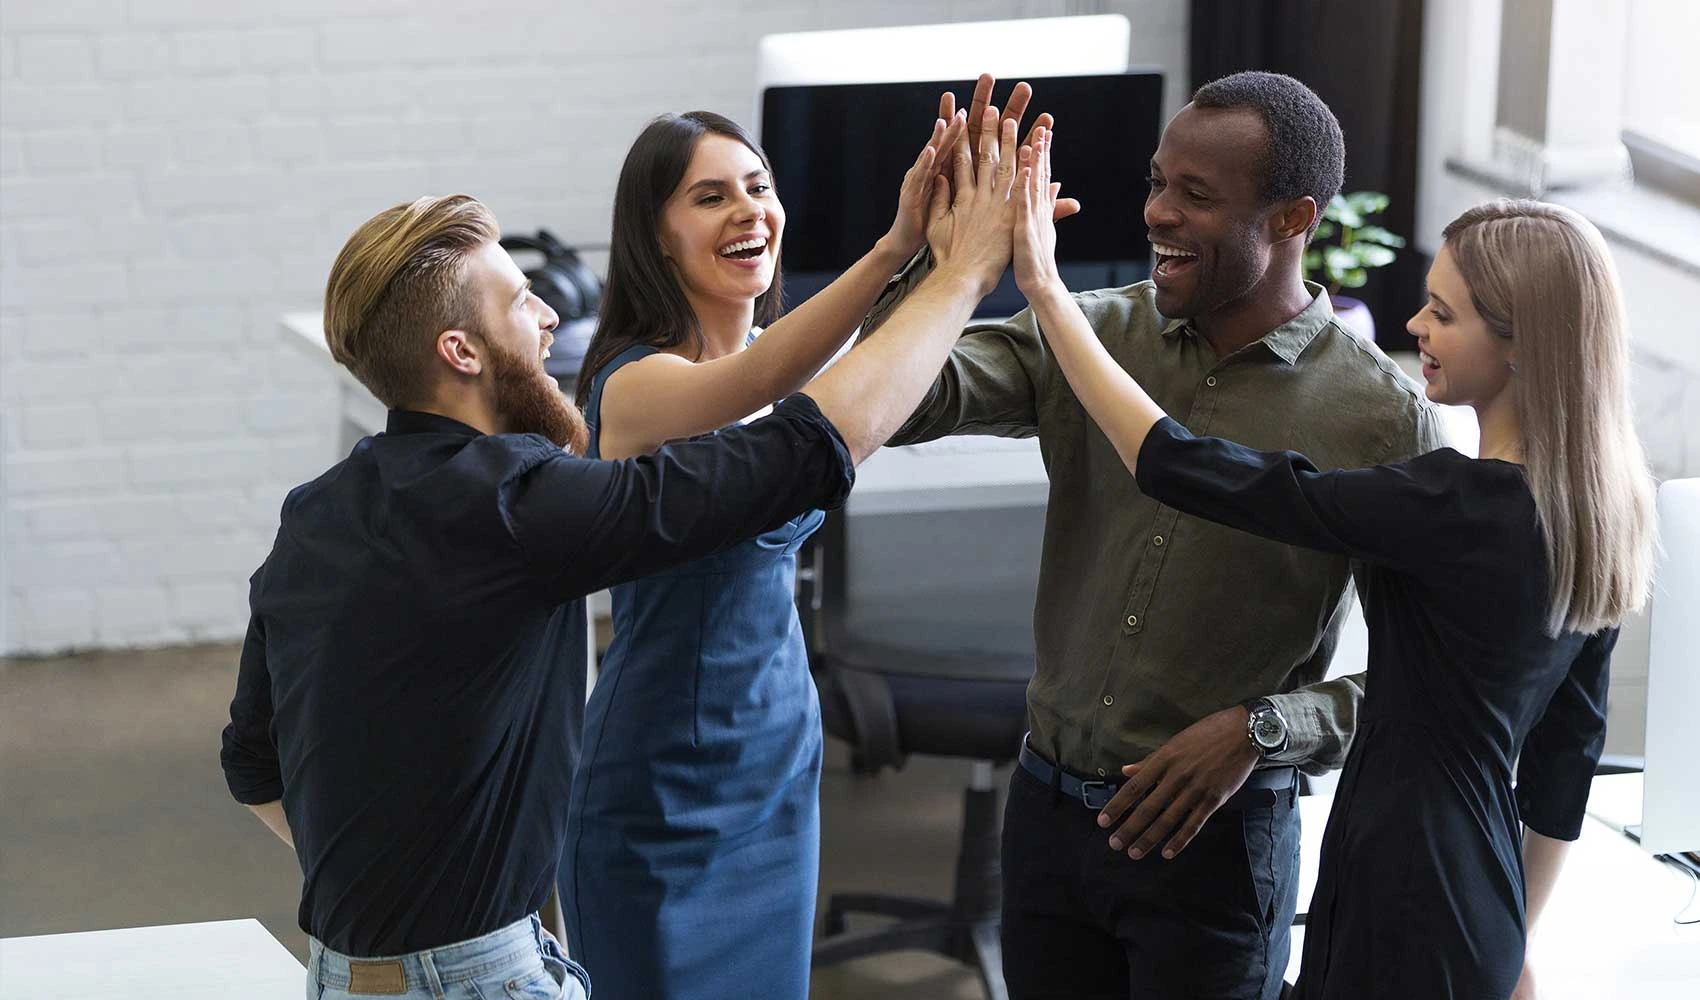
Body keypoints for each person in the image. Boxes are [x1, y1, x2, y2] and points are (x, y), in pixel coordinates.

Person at [219, 138, 1020, 1000]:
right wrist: (962, 277)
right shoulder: (515, 507)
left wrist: (393, 907)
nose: (551, 318)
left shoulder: (318, 511)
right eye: (523, 303)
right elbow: (797, 452)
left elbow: (253, 762)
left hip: (345, 975)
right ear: (462, 352)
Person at [1010, 130, 1654, 998]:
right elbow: (1567, 760)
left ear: (1520, 345)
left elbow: (1187, 468)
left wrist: (1049, 296)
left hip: (1398, 882)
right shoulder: (1600, 515)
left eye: (1445, 313)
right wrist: (1513, 938)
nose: (1416, 325)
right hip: (1480, 896)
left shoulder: (1451, 503)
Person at [862, 71, 1445, 999]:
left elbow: (1436, 681)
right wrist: (932, 257)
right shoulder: (1097, 331)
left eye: (1197, 196)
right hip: (1048, 821)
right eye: (1155, 183)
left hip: (1214, 850)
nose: (1158, 214)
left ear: (1293, 218)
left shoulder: (1379, 420)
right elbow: (906, 400)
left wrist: (1267, 728)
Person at [556, 106, 994, 998]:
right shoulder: (636, 387)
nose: (748, 210)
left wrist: (932, 241)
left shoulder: (768, 353)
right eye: (710, 196)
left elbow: (835, 376)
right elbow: (763, 392)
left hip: (775, 746)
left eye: (759, 187)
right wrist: (904, 256)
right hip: (663, 774)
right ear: (656, 238)